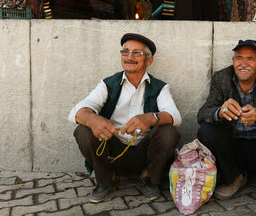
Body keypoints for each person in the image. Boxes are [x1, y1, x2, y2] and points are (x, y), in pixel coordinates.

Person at [68, 33, 181, 202]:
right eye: (125, 52)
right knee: (83, 130)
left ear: (148, 61)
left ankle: (148, 178)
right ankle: (107, 179)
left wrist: (150, 118)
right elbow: (76, 112)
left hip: (145, 153)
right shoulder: (108, 84)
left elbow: (175, 117)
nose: (129, 57)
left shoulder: (160, 87)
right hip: (113, 152)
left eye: (137, 53)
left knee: (169, 132)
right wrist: (93, 120)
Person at [197, 39, 256, 204]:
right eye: (239, 58)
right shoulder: (221, 78)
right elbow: (202, 114)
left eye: (250, 58)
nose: (243, 63)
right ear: (233, 61)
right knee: (206, 130)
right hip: (232, 149)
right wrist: (220, 112)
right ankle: (233, 178)